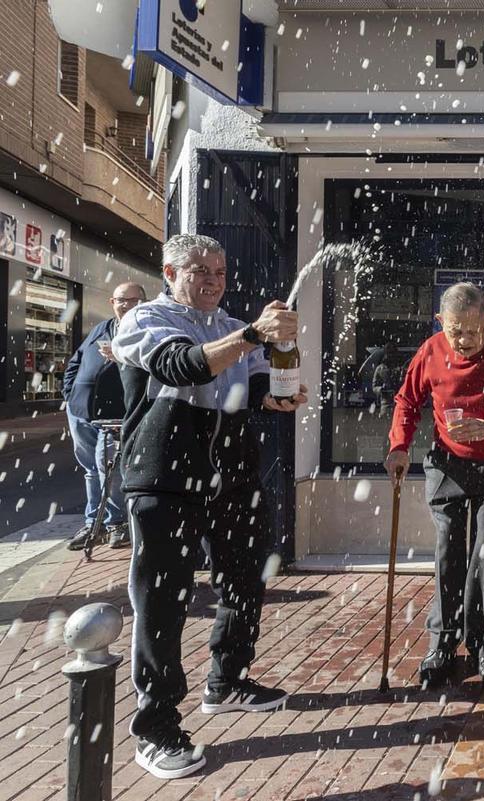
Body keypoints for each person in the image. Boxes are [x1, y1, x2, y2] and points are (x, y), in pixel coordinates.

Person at [111, 233, 307, 780]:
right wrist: (251, 335)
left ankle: (227, 680)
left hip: (233, 471)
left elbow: (252, 384)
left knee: (247, 574)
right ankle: (156, 727)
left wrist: (279, 392)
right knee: (164, 596)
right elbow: (182, 367)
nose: (213, 282)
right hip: (165, 474)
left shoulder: (228, 328)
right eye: (200, 272)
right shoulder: (145, 319)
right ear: (170, 271)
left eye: (220, 273)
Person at [383, 282, 484, 688]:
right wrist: (399, 447)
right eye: (456, 330)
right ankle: (443, 642)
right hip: (448, 463)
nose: (465, 340)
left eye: (474, 329)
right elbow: (407, 401)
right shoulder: (432, 350)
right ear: (441, 322)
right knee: (449, 547)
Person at [63, 282, 146, 550]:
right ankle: (93, 525)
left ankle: (116, 523)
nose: (124, 305)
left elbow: (149, 369)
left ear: (143, 302)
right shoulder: (104, 327)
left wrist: (121, 358)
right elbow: (76, 360)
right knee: (90, 469)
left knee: (107, 466)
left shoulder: (146, 330)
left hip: (114, 414)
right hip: (81, 410)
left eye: (131, 300)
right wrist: (70, 391)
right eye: (120, 300)